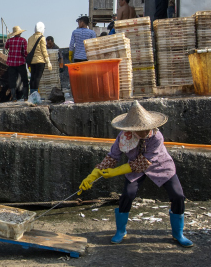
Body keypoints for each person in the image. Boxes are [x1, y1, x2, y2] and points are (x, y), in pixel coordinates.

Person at [78, 102, 192, 247]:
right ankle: (121, 231)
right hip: (133, 170)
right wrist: (93, 175)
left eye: (145, 129)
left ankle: (178, 234)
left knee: (178, 195)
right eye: (139, 130)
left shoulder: (157, 137)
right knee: (127, 195)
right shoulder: (123, 137)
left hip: (160, 166)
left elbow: (144, 162)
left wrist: (115, 172)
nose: (143, 132)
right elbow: (113, 156)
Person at [26, 22, 52, 95]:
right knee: (37, 78)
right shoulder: (42, 38)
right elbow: (44, 51)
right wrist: (48, 62)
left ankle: (32, 95)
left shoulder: (30, 38)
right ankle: (35, 96)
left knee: (32, 78)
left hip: (32, 62)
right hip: (40, 61)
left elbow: (28, 50)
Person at [4, 25, 29, 101]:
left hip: (11, 63)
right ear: (20, 33)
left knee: (12, 80)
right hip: (21, 63)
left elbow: (6, 47)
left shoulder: (9, 40)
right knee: (24, 79)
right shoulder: (23, 40)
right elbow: (25, 52)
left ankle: (14, 97)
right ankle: (25, 97)